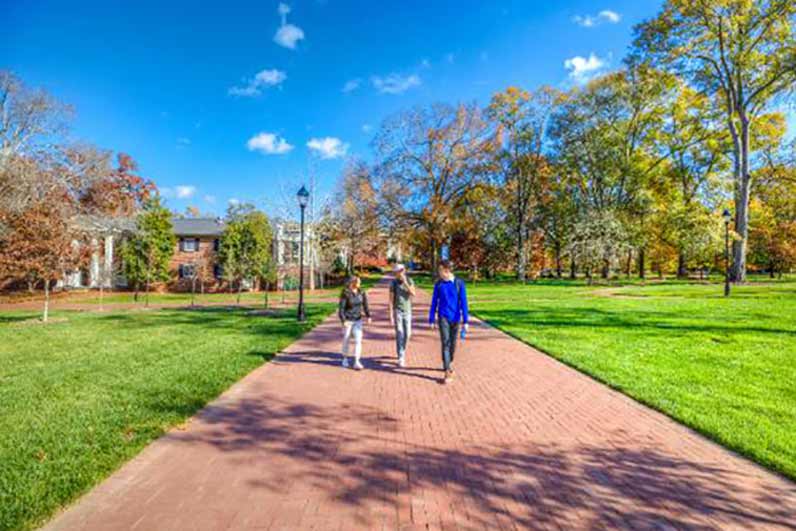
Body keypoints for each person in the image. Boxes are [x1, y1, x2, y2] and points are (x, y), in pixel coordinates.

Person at [428, 260, 469, 384]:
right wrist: (431, 319)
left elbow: (464, 303)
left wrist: (465, 321)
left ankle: (449, 361)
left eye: (440, 270)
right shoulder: (438, 284)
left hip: (455, 318)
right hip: (443, 317)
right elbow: (434, 302)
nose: (439, 273)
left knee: (452, 344)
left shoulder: (459, 283)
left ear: (447, 270)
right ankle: (447, 370)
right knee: (445, 343)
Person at [338, 275, 371, 370]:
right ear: (353, 283)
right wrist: (343, 320)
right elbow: (341, 309)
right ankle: (345, 358)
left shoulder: (362, 292)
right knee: (346, 339)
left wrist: (368, 316)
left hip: (358, 320)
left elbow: (365, 305)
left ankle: (357, 361)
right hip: (348, 320)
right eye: (358, 282)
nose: (360, 284)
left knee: (358, 340)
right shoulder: (346, 293)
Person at [388, 263, 416, 367]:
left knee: (408, 334)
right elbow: (390, 300)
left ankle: (402, 350)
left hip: (407, 311)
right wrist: (390, 315)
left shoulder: (409, 280)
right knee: (400, 333)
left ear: (403, 271)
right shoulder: (393, 283)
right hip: (397, 311)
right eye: (397, 272)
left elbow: (413, 293)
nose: (399, 274)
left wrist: (405, 283)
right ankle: (401, 356)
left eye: (400, 271)